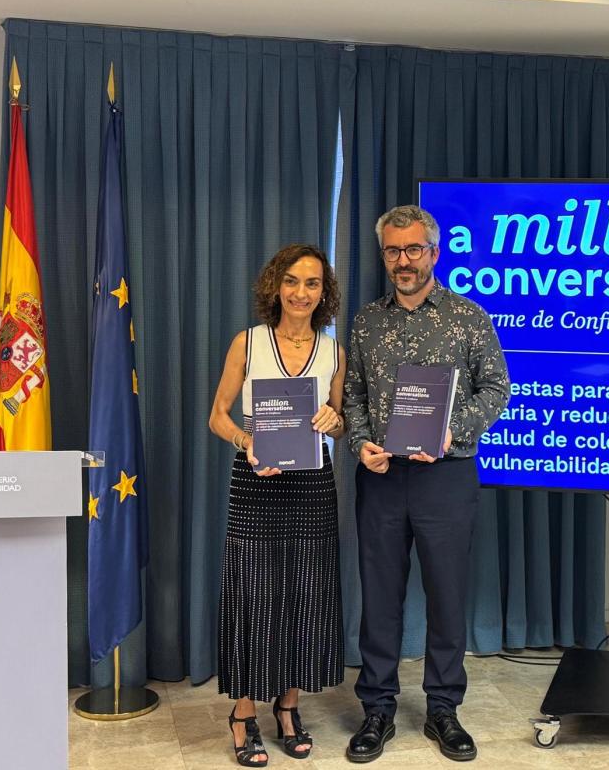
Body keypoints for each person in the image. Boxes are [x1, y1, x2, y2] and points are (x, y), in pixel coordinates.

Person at [343, 205, 511, 763]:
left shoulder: (469, 317)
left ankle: (443, 708)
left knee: (446, 595)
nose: (403, 261)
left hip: (447, 475)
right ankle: (378, 709)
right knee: (381, 598)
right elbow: (354, 398)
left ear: (434, 253)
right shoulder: (366, 322)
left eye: (414, 249)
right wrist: (361, 442)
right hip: (384, 480)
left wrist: (450, 432)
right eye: (393, 251)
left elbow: (497, 389)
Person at [209, 244, 347, 766]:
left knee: (304, 595)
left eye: (312, 283)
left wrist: (335, 420)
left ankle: (288, 707)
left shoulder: (335, 351)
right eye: (292, 281)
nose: (301, 292)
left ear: (323, 292)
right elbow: (217, 415)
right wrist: (246, 440)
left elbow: (339, 416)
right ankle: (244, 712)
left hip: (312, 487)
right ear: (275, 286)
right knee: (254, 594)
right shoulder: (248, 343)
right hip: (256, 482)